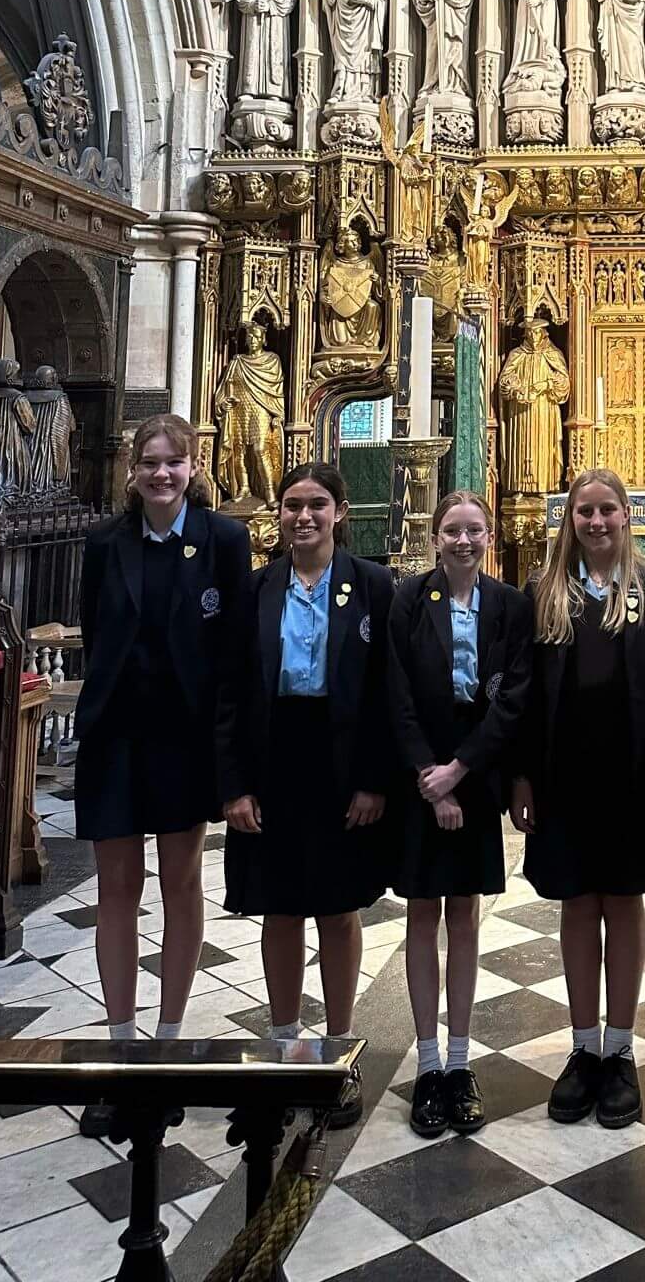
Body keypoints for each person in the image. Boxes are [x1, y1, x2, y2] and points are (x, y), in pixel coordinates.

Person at [74, 415, 251, 1137]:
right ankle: (121, 1053)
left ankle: (170, 1046)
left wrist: (230, 753)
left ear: (192, 465)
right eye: (149, 462)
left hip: (184, 739)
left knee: (180, 885)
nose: (161, 474)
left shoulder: (223, 541)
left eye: (173, 462)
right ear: (131, 469)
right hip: (117, 735)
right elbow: (96, 631)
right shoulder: (103, 543)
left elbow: (236, 651)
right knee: (118, 890)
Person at [217, 463, 392, 1127]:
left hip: (342, 762)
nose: (304, 516)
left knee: (338, 907)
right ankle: (287, 1043)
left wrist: (375, 779)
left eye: (317, 504)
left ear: (340, 512)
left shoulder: (373, 585)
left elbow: (384, 694)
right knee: (281, 906)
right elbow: (230, 692)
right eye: (293, 505)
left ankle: (339, 1051)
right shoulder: (255, 590)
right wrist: (233, 786)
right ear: (280, 514)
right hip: (273, 756)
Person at [510, 469, 645, 1129]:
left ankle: (622, 1049)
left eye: (609, 510)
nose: (598, 522)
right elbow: (523, 695)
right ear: (570, 519)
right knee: (578, 905)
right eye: (586, 511)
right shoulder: (545, 591)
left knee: (624, 902)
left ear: (627, 515)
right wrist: (520, 775)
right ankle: (584, 1048)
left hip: (633, 776)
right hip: (563, 775)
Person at [389, 493, 530, 1138]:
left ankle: (461, 1060)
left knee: (466, 913)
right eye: (453, 530)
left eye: (475, 529)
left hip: (475, 777)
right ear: (436, 537)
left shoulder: (508, 606)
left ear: (490, 534)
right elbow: (396, 694)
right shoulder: (409, 600)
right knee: (422, 912)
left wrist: (461, 772)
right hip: (422, 781)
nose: (464, 540)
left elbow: (514, 701)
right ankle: (426, 1062)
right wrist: (430, 777)